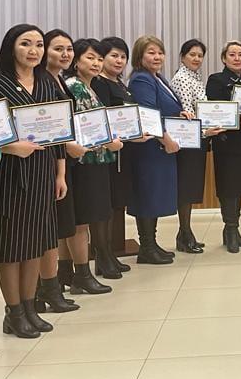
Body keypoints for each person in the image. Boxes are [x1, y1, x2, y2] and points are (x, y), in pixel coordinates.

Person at [0, 25, 67, 339]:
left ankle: (30, 307)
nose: (33, 51)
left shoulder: (46, 82)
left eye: (38, 44)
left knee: (36, 242)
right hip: (9, 172)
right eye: (25, 44)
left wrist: (60, 174)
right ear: (11, 47)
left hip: (43, 171)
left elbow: (58, 133)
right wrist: (10, 147)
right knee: (11, 245)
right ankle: (14, 312)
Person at [64, 39, 124, 292]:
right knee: (81, 220)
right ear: (76, 60)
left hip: (96, 160)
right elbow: (78, 129)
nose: (96, 63)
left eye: (99, 59)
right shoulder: (73, 87)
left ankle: (72, 273)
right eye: (90, 58)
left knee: (89, 217)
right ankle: (80, 274)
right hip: (83, 163)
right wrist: (108, 142)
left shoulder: (90, 87)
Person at [33, 30, 84, 315]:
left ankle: (50, 286)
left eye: (68, 49)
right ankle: (44, 288)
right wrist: (66, 146)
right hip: (46, 163)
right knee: (46, 231)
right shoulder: (40, 81)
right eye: (57, 49)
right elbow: (46, 127)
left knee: (58, 228)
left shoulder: (59, 79)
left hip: (62, 163)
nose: (65, 54)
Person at [128, 35, 183, 264]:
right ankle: (146, 247)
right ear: (139, 56)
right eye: (151, 52)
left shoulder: (157, 77)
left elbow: (165, 106)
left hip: (159, 147)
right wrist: (166, 139)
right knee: (148, 195)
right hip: (150, 147)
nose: (157, 57)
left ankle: (152, 244)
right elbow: (147, 114)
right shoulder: (141, 79)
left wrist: (180, 114)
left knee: (155, 195)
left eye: (160, 52)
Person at [206, 42, 241, 254]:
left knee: (240, 188)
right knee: (228, 188)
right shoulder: (216, 80)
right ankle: (229, 229)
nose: (237, 58)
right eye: (232, 55)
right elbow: (215, 112)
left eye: (240, 55)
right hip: (226, 142)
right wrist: (240, 120)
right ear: (224, 58)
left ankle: (234, 228)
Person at [91, 37, 139, 274]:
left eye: (123, 57)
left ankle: (110, 252)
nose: (119, 61)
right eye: (114, 56)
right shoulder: (99, 83)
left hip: (124, 151)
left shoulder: (120, 84)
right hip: (107, 153)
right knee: (105, 206)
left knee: (116, 203)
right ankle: (102, 255)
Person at [170, 39, 209, 254]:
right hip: (188, 140)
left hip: (197, 138)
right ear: (182, 56)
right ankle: (185, 234)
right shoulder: (182, 78)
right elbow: (188, 113)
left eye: (200, 55)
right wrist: (206, 130)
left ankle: (184, 233)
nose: (196, 59)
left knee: (191, 188)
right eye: (192, 54)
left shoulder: (195, 77)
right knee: (186, 189)